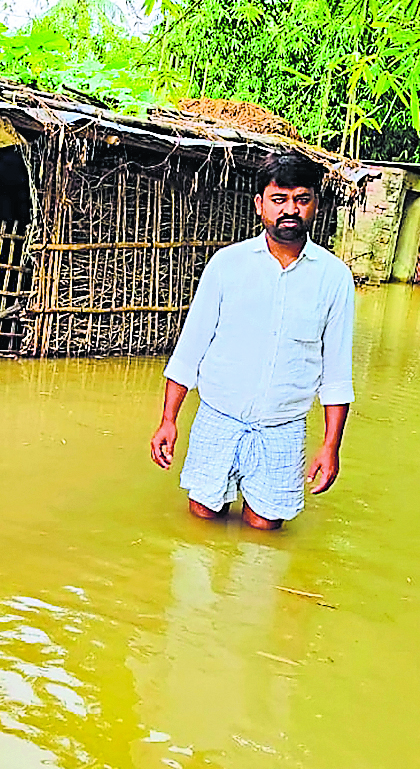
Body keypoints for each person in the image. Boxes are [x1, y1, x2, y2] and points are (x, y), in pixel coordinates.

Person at [150, 152, 355, 530]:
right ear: (261, 205)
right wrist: (168, 420)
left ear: (315, 204)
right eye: (279, 200)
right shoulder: (228, 265)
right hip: (218, 417)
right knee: (202, 518)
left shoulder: (335, 278)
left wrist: (330, 446)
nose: (290, 210)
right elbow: (190, 347)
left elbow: (337, 372)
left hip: (284, 426)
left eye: (301, 199)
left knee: (265, 529)